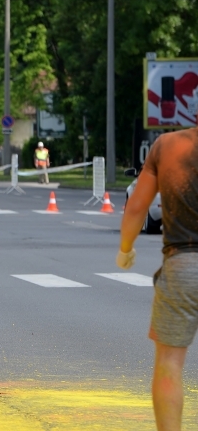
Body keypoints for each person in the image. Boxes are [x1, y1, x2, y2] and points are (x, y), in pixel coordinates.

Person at [118, 124, 198, 431]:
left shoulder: (168, 146)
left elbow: (137, 206)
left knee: (169, 363)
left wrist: (125, 249)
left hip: (183, 265)